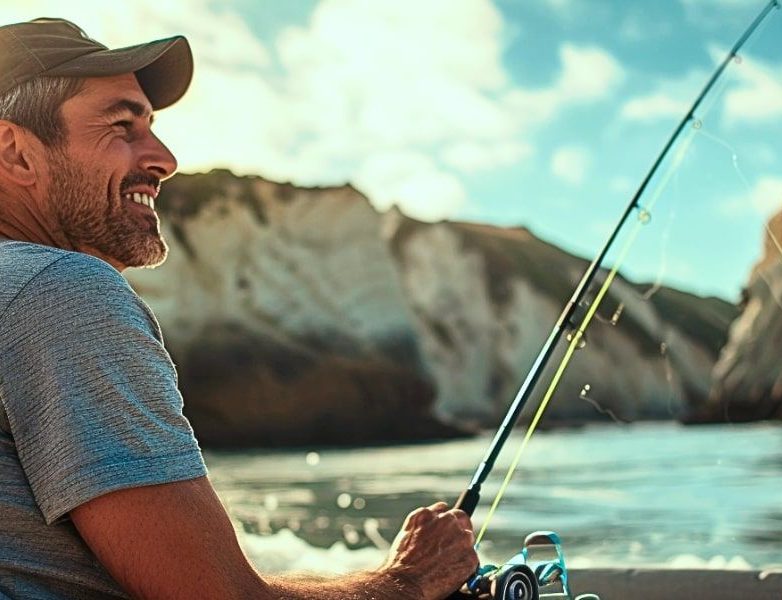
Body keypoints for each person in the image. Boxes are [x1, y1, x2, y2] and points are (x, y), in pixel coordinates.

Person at [0, 18, 478, 600]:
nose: (164, 158)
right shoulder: (62, 292)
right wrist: (407, 579)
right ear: (15, 151)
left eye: (151, 126)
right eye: (122, 126)